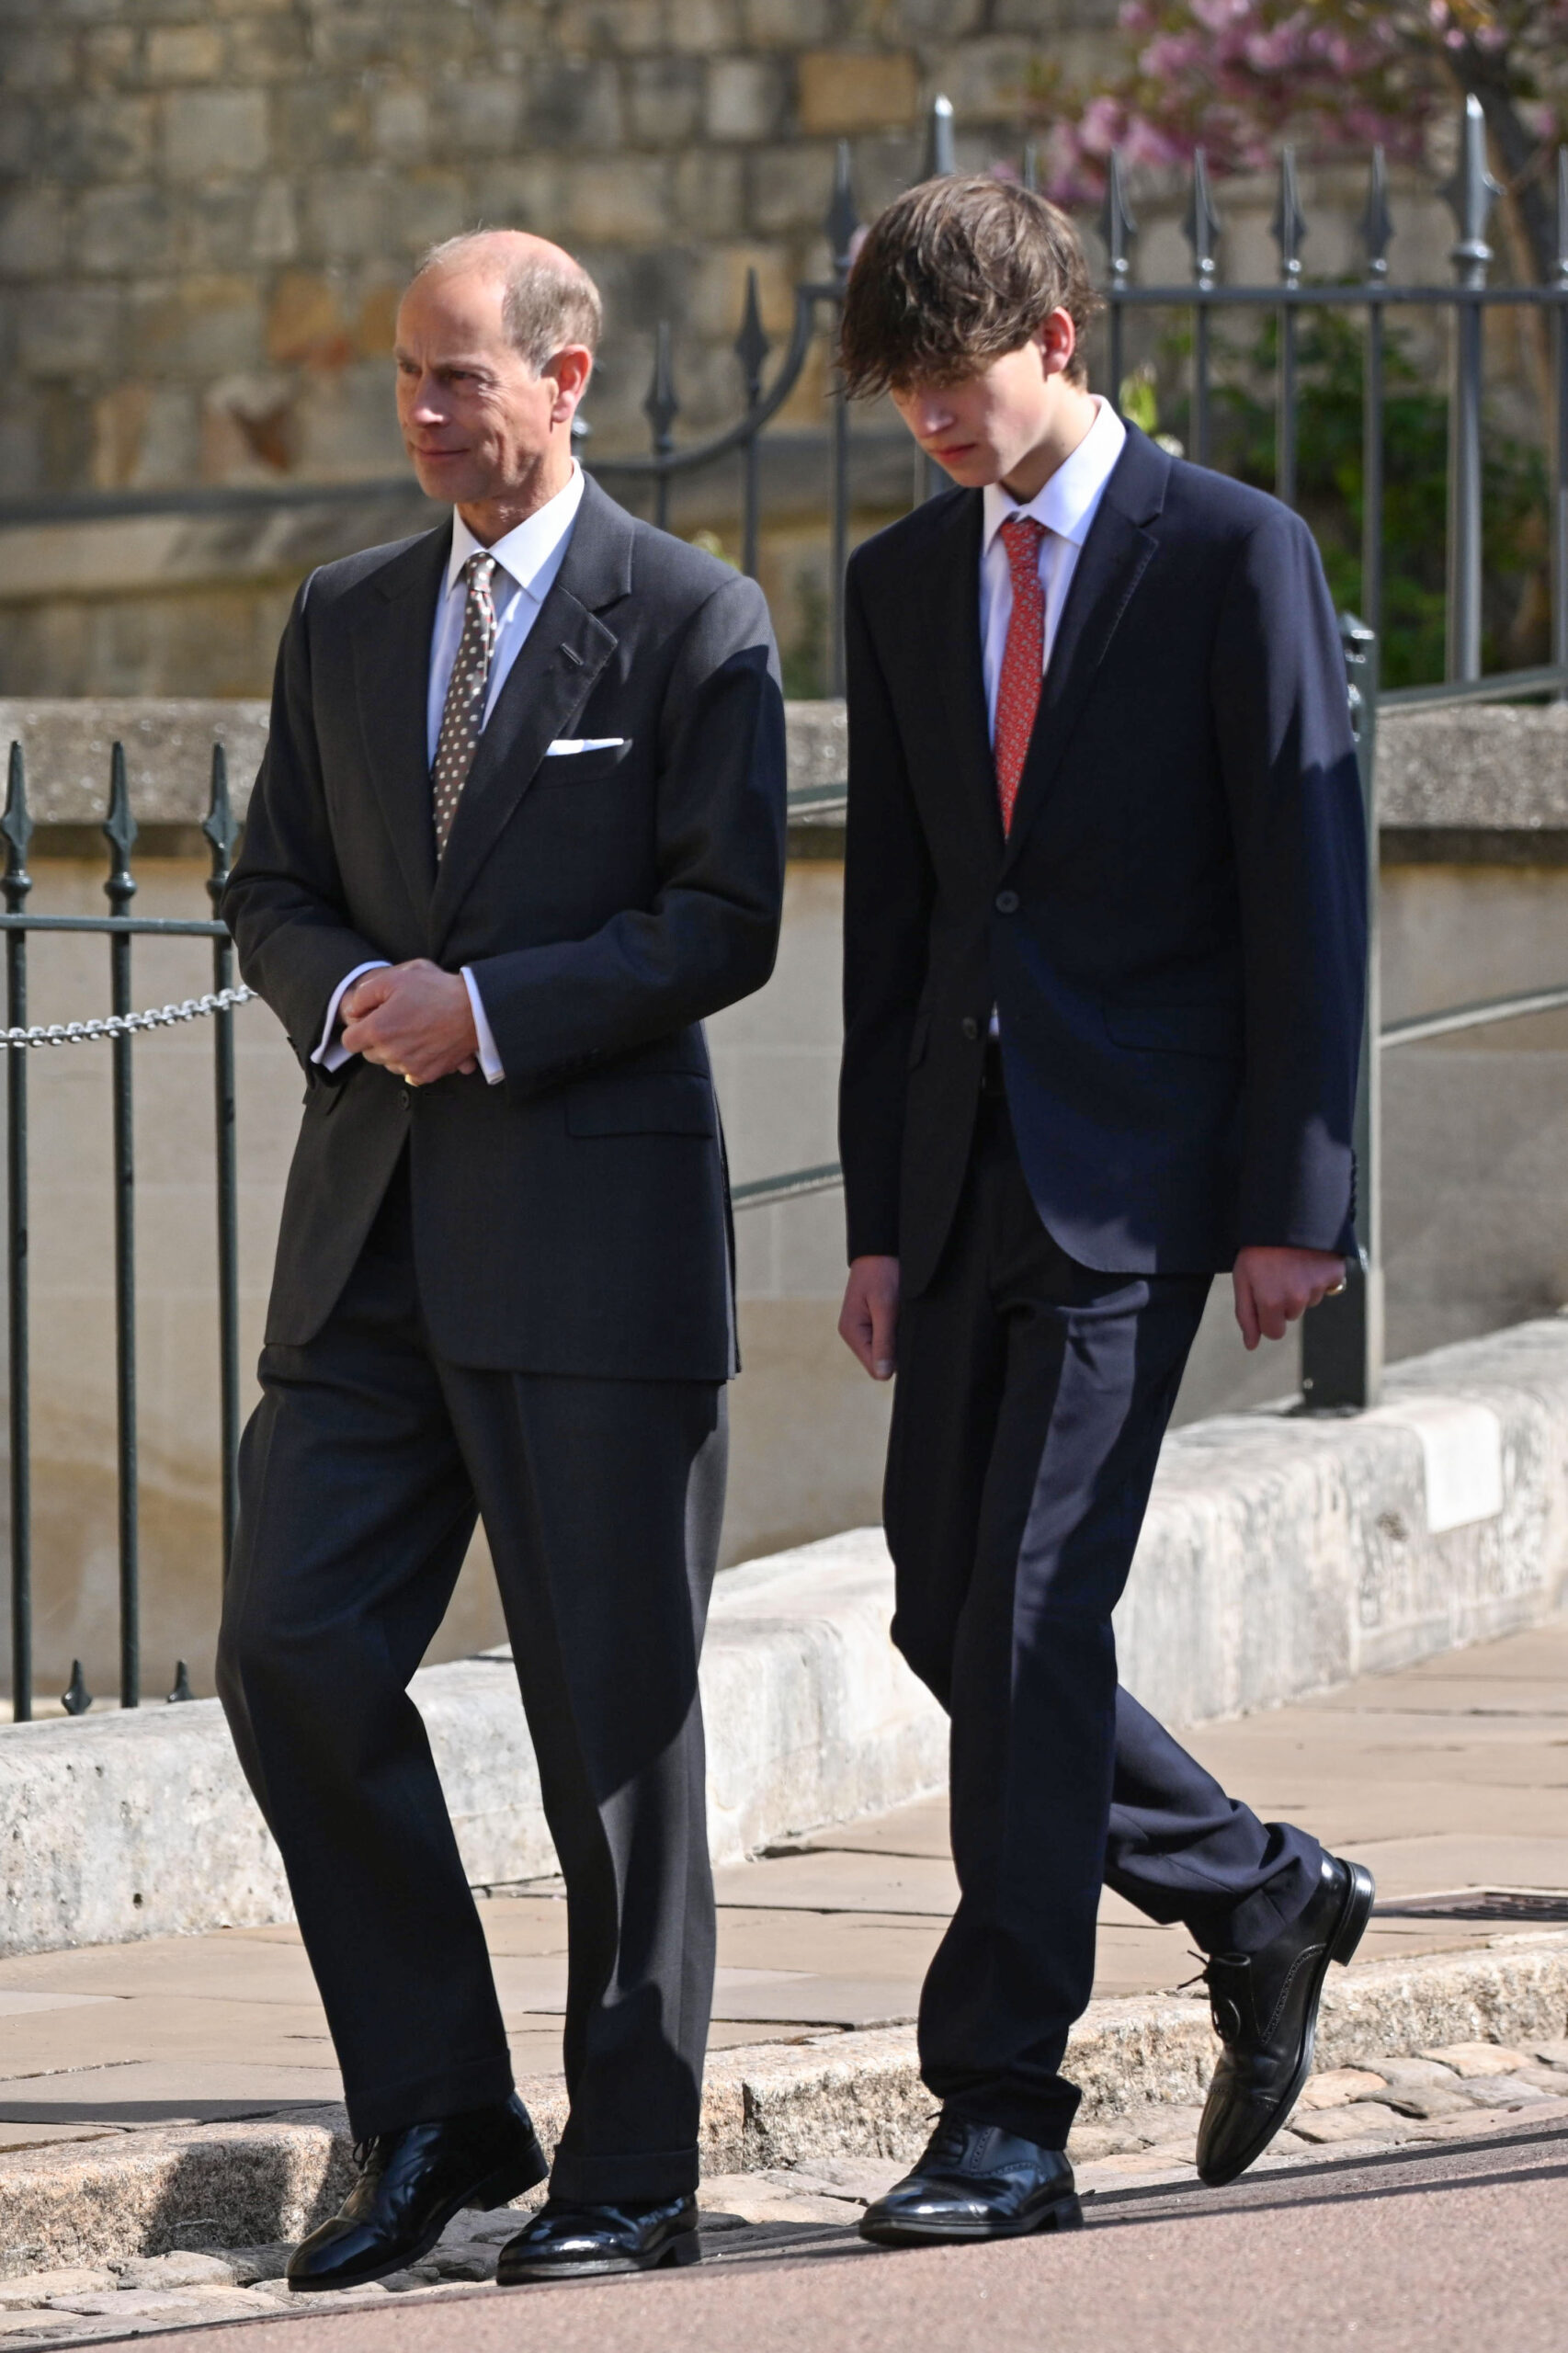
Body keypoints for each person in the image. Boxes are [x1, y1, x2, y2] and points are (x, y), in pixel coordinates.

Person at [217, 230, 786, 2290]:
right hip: (368, 1244)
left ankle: (631, 2168)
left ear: (568, 379)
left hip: (592, 1252)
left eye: (466, 377)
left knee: (610, 1728)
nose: (430, 413)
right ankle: (445, 2109)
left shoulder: (693, 621)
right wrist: (356, 976)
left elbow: (726, 920)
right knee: (284, 1646)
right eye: (407, 378)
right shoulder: (346, 614)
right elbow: (262, 875)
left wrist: (496, 1006)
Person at [833, 177, 1374, 2246]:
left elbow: (1302, 899)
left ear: (1058, 331)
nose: (931, 433)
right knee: (936, 1606)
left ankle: (1001, 2104)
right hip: (962, 1185)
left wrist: (1295, 1198)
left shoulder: (1233, 552)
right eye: (903, 400)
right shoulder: (899, 584)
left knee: (1040, 1616)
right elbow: (900, 916)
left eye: (955, 389)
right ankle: (1260, 1889)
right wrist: (879, 1214)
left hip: (1147, 1186)